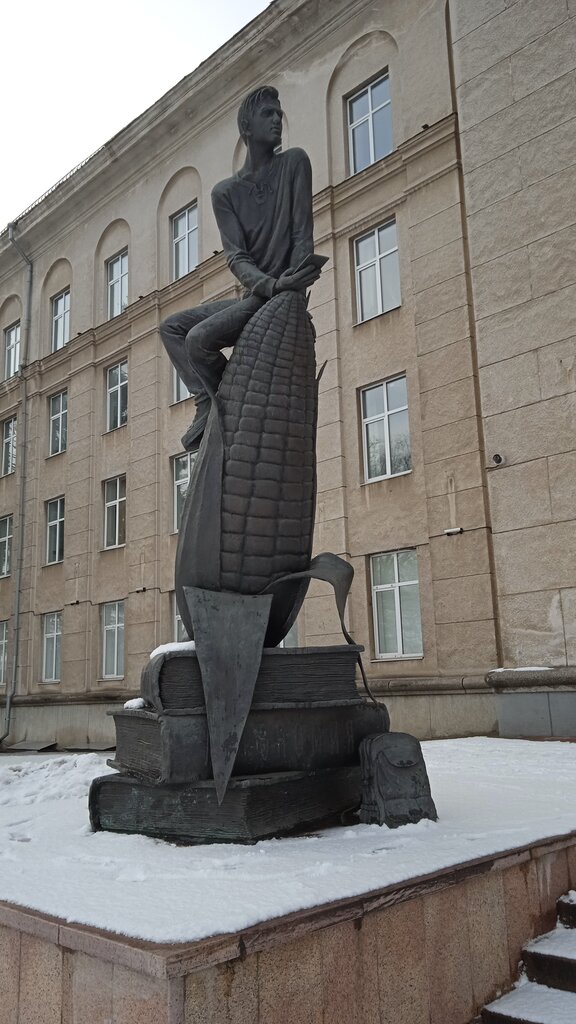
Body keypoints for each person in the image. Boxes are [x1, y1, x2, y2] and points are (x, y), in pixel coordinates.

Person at [159, 85, 322, 452]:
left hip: (282, 296)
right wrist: (270, 285)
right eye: (268, 114)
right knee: (172, 328)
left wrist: (292, 290)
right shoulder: (225, 193)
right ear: (246, 126)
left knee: (198, 340)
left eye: (279, 113)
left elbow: (302, 235)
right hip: (258, 294)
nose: (277, 119)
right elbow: (236, 257)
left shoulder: (294, 163)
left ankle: (223, 396)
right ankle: (208, 398)